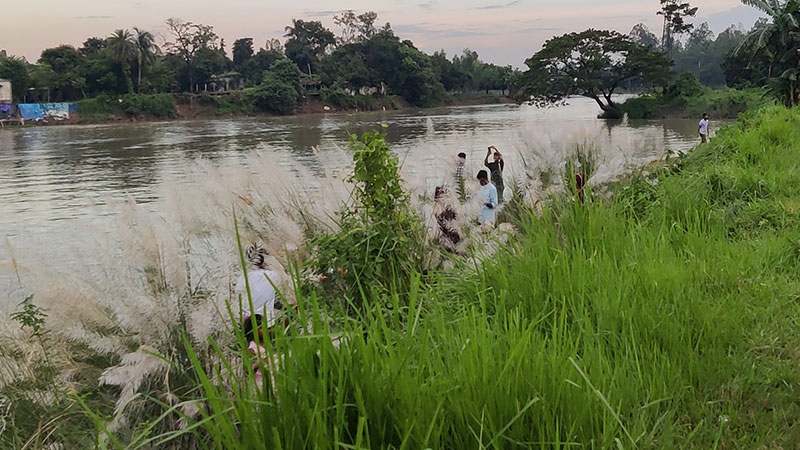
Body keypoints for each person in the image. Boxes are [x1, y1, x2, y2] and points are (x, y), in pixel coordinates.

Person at [235, 244, 282, 337]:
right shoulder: (273, 275)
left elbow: (238, 298)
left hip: (249, 323)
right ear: (263, 260)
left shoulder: (243, 277)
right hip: (268, 321)